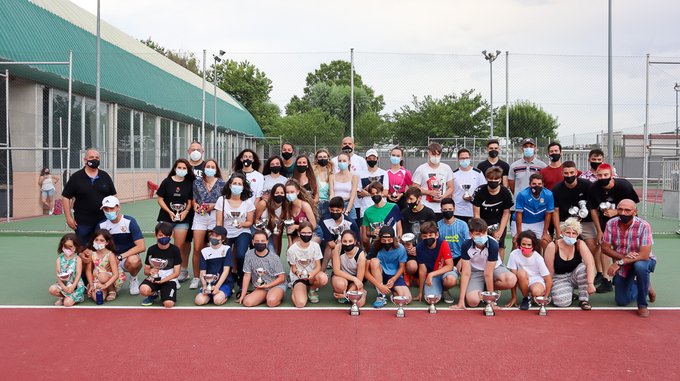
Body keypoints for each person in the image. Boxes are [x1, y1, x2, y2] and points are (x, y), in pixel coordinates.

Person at [587, 163, 640, 293]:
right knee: (605, 248)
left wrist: (616, 212)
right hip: (606, 223)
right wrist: (599, 230)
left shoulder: (624, 186)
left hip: (626, 221)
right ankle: (606, 279)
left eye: (605, 175)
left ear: (612, 175)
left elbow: (633, 207)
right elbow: (593, 210)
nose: (602, 177)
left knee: (626, 248)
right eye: (599, 175)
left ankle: (631, 276)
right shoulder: (594, 187)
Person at [601, 199, 656, 317]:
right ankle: (645, 286)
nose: (623, 213)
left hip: (644, 261)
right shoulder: (611, 223)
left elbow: (644, 255)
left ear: (635, 212)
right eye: (620, 209)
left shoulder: (644, 225)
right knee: (621, 301)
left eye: (627, 210)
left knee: (640, 267)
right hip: (624, 262)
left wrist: (619, 262)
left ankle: (642, 305)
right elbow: (605, 248)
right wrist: (625, 258)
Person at [551, 161, 601, 285]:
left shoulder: (588, 186)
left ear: (576, 172)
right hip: (565, 221)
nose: (569, 175)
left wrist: (598, 228)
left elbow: (594, 208)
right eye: (566, 173)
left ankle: (598, 273)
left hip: (586, 221)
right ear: (562, 173)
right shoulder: (556, 189)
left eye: (572, 172)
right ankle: (563, 274)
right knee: (563, 245)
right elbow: (555, 212)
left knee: (593, 245)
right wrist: (558, 231)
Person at [452, 218, 517, 310]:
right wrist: (461, 301)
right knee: (472, 302)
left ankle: (486, 289)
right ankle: (480, 288)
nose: (481, 236)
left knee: (511, 280)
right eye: (477, 234)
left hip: (494, 269)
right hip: (476, 271)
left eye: (484, 233)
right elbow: (466, 273)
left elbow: (488, 273)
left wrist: (491, 302)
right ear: (471, 234)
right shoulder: (466, 245)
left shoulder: (493, 245)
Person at [61, 149, 117, 246]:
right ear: (85, 159)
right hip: (82, 222)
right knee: (83, 249)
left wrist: (113, 213)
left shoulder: (105, 176)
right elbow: (66, 197)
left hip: (103, 220)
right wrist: (69, 217)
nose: (94, 159)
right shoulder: (76, 177)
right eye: (91, 157)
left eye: (97, 158)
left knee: (102, 248)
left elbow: (113, 196)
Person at [156, 158, 195, 283]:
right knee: (163, 244)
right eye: (179, 167)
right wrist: (169, 212)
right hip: (166, 218)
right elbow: (160, 199)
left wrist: (185, 212)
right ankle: (163, 271)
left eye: (184, 168)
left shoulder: (189, 183)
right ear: (174, 168)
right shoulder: (167, 182)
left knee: (178, 247)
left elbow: (189, 202)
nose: (181, 170)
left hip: (182, 220)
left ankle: (176, 273)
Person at [544, 218, 596, 309]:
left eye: (574, 233)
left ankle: (584, 300)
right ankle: (568, 292)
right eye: (568, 232)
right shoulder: (552, 246)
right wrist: (546, 292)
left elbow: (590, 263)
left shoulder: (580, 244)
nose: (571, 236)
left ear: (577, 235)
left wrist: (590, 283)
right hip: (558, 277)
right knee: (561, 302)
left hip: (576, 276)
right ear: (562, 232)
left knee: (584, 267)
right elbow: (549, 272)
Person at [98, 196, 144, 295]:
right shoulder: (101, 225)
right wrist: (109, 258)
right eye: (106, 209)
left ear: (118, 207)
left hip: (126, 258)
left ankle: (134, 279)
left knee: (134, 261)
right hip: (110, 259)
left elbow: (141, 247)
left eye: (111, 208)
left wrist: (120, 257)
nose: (109, 211)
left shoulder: (129, 221)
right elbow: (97, 247)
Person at [215, 173, 255, 288]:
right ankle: (226, 277)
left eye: (239, 184)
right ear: (230, 185)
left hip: (242, 231)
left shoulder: (247, 202)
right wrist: (221, 236)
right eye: (234, 183)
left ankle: (242, 277)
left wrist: (241, 224)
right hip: (226, 232)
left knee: (240, 254)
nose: (237, 186)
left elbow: (249, 222)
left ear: (243, 187)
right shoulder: (221, 200)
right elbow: (219, 222)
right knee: (223, 254)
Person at [190, 159, 225, 289]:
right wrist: (195, 206)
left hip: (215, 216)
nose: (210, 168)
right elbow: (194, 199)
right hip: (200, 217)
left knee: (213, 246)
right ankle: (196, 277)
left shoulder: (222, 183)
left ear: (216, 169)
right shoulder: (197, 182)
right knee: (198, 248)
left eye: (213, 166)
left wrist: (213, 206)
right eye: (208, 166)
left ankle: (212, 275)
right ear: (204, 168)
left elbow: (223, 201)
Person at [365, 226, 412, 308]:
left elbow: (401, 268)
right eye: (383, 240)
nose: (386, 242)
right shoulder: (375, 246)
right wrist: (379, 286)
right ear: (380, 239)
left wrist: (393, 279)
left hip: (394, 275)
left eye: (389, 240)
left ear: (393, 239)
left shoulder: (400, 248)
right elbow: (365, 271)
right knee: (374, 261)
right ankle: (381, 296)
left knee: (406, 299)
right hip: (380, 274)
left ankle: (393, 291)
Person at [472, 167, 514, 259]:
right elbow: (476, 213)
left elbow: (506, 213)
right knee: (481, 245)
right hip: (482, 222)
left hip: (498, 223)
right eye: (490, 179)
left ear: (500, 180)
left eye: (496, 179)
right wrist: (481, 230)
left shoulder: (505, 192)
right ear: (486, 179)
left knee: (500, 246)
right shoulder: (479, 191)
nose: (493, 181)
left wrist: (500, 231)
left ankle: (500, 267)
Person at [239, 230, 287, 307]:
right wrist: (242, 295)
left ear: (267, 242)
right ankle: (266, 296)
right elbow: (247, 275)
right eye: (257, 241)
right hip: (261, 287)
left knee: (271, 302)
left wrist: (267, 286)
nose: (260, 243)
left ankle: (277, 295)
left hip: (276, 285)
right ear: (252, 242)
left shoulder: (274, 257)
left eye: (262, 241)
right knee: (247, 302)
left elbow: (282, 278)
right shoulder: (249, 254)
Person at [506, 231, 552, 310]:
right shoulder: (514, 254)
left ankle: (539, 294)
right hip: (522, 279)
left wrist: (545, 297)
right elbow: (513, 278)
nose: (526, 247)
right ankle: (526, 298)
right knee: (520, 272)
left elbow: (548, 279)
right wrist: (514, 297)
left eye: (529, 245)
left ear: (533, 245)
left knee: (536, 292)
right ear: (519, 244)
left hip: (537, 280)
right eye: (523, 244)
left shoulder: (538, 258)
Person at [140, 222, 181, 308]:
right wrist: (151, 271)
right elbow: (146, 271)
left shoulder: (175, 250)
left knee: (168, 304)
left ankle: (164, 293)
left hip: (169, 280)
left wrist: (163, 280)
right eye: (160, 235)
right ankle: (154, 294)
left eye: (167, 236)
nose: (163, 238)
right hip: (154, 279)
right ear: (156, 235)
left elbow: (176, 273)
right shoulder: (151, 250)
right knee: (144, 290)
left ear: (171, 236)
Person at [287, 221, 328, 307]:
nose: (306, 235)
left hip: (312, 277)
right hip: (299, 277)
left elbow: (318, 266)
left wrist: (311, 274)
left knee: (323, 278)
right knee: (300, 303)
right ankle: (296, 288)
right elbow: (293, 268)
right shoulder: (292, 249)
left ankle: (312, 289)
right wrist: (298, 273)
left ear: (312, 234)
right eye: (304, 233)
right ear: (299, 233)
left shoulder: (315, 246)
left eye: (309, 233)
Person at [415, 221, 457, 304]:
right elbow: (422, 270)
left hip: (445, 271)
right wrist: (420, 292)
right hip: (432, 276)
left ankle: (445, 290)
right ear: (421, 237)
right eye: (425, 236)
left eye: (430, 235)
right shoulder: (419, 247)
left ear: (436, 235)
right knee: (430, 300)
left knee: (450, 280)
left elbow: (450, 266)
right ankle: (438, 288)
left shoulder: (443, 243)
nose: (428, 238)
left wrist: (431, 274)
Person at [511, 173, 555, 251]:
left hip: (538, 222)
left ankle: (545, 263)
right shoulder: (522, 195)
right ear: (529, 184)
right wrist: (519, 232)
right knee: (516, 242)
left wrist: (545, 233)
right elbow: (519, 214)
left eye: (539, 184)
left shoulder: (548, 195)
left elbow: (548, 214)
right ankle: (513, 262)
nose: (536, 186)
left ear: (543, 185)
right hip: (522, 222)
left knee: (546, 242)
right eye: (534, 184)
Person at [412, 142, 454, 220]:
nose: (436, 157)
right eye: (433, 154)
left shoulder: (446, 168)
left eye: (438, 155)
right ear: (429, 153)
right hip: (425, 207)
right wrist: (430, 192)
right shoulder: (421, 169)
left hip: (441, 208)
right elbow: (415, 188)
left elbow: (451, 187)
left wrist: (443, 197)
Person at [400, 187, 436, 276]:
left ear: (419, 198)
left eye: (411, 199)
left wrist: (420, 249)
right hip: (409, 247)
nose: (409, 202)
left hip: (425, 246)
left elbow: (433, 234)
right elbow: (402, 232)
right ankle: (407, 274)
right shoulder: (404, 212)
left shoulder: (429, 213)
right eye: (407, 199)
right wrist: (407, 245)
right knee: (412, 267)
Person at [195, 226, 234, 306]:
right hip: (209, 284)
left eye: (216, 236)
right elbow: (202, 272)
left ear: (222, 239)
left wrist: (217, 287)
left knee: (217, 300)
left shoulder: (227, 249)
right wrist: (205, 286)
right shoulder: (204, 251)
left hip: (224, 283)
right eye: (212, 235)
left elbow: (226, 271)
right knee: (199, 301)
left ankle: (226, 294)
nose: (213, 237)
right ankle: (211, 295)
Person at [318, 196, 360, 271]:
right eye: (332, 210)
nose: (335, 212)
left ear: (343, 210)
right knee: (330, 247)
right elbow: (330, 242)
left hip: (348, 245)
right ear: (329, 209)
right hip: (331, 246)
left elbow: (357, 241)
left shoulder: (350, 223)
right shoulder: (324, 221)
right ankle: (322, 270)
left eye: (337, 211)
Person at [361, 182, 403, 253]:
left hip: (393, 244)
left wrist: (398, 241)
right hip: (377, 245)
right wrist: (372, 233)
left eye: (377, 193)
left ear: (382, 192)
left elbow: (399, 228)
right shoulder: (367, 212)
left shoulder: (394, 207)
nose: (375, 195)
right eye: (373, 194)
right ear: (370, 195)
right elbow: (367, 233)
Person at [86, 229, 124, 303]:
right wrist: (91, 285)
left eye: (101, 240)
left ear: (107, 242)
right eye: (96, 240)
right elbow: (88, 270)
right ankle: (100, 289)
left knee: (102, 277)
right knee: (98, 299)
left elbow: (115, 274)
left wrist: (105, 285)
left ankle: (112, 290)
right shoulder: (91, 253)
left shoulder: (110, 255)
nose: (98, 242)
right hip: (97, 278)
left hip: (110, 279)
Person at [48, 233, 86, 306]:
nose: (68, 249)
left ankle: (76, 297)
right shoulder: (59, 259)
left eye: (70, 246)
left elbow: (78, 274)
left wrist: (73, 286)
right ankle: (63, 297)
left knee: (67, 303)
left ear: (76, 246)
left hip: (76, 285)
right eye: (65, 246)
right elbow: (58, 275)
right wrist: (63, 287)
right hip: (64, 284)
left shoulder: (77, 259)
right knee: (52, 289)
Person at [331, 230, 367, 306]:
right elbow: (336, 270)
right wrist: (354, 279)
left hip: (356, 280)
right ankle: (341, 292)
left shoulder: (361, 255)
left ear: (355, 242)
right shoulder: (337, 248)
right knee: (339, 285)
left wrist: (347, 294)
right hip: (341, 276)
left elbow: (359, 279)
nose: (347, 244)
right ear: (341, 241)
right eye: (345, 241)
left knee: (359, 304)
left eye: (350, 241)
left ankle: (359, 292)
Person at [451, 148, 486, 223]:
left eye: (466, 158)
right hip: (457, 211)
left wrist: (472, 198)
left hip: (473, 211)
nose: (464, 160)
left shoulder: (478, 173)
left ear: (470, 158)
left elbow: (483, 190)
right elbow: (450, 191)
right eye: (462, 158)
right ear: (458, 159)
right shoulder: (453, 174)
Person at [508, 138, 547, 204]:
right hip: (520, 202)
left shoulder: (542, 166)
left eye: (531, 146)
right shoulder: (514, 166)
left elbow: (544, 183)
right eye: (526, 147)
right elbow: (511, 184)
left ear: (535, 148)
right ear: (522, 149)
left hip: (536, 201)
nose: (528, 148)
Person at [357, 149, 389, 226]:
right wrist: (376, 193)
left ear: (377, 159)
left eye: (374, 158)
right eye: (369, 158)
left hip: (381, 208)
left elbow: (385, 192)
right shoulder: (360, 174)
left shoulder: (383, 173)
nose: (372, 160)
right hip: (366, 208)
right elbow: (359, 193)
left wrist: (368, 193)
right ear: (366, 159)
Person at [437, 198, 470, 272]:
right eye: (445, 210)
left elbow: (469, 243)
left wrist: (463, 258)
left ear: (454, 209)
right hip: (445, 257)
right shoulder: (438, 225)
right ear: (441, 210)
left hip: (460, 256)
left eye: (450, 209)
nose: (447, 211)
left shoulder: (463, 225)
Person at [254, 183, 287, 255]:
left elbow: (278, 234)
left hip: (272, 232)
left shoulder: (285, 208)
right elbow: (256, 220)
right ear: (272, 194)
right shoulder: (263, 203)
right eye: (277, 193)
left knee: (272, 252)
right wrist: (264, 229)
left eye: (282, 193)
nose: (279, 195)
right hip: (258, 230)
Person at [283, 179, 318, 246]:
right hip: (299, 234)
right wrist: (289, 243)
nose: (289, 194)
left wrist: (296, 227)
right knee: (294, 246)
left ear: (298, 192)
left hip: (313, 233)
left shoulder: (304, 205)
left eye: (292, 192)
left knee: (303, 246)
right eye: (287, 192)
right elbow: (289, 228)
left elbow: (313, 225)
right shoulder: (288, 207)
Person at [332, 152, 359, 223]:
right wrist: (333, 208)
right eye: (340, 161)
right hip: (336, 206)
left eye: (344, 161)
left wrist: (347, 211)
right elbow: (331, 193)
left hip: (348, 205)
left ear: (349, 162)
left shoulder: (354, 177)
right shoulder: (332, 176)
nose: (342, 163)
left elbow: (353, 196)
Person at [386, 146, 412, 211]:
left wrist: (402, 194)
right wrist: (388, 195)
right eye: (393, 155)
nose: (395, 157)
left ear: (401, 158)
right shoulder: (386, 173)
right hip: (388, 202)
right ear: (390, 156)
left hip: (402, 203)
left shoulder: (406, 172)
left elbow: (411, 188)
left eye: (398, 156)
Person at [312, 149, 334, 220]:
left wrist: (331, 205)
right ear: (316, 159)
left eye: (324, 157)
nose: (322, 159)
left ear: (328, 158)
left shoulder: (330, 174)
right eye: (320, 157)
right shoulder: (313, 173)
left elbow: (331, 192)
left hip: (327, 204)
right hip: (315, 204)